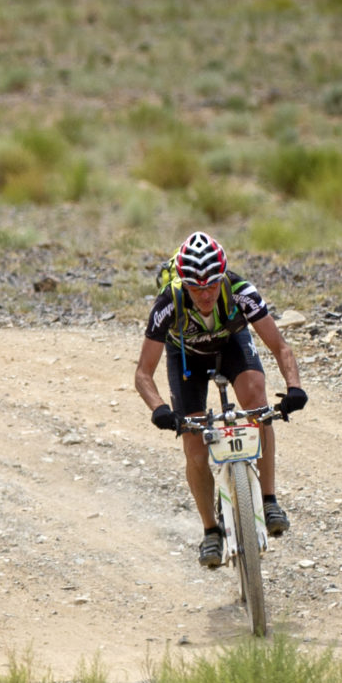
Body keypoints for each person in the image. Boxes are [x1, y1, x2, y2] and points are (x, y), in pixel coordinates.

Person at [133, 230, 307, 567]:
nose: (205, 293)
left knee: (258, 404)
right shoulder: (168, 303)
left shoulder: (241, 291)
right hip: (186, 357)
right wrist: (160, 410)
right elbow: (143, 373)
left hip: (231, 346)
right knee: (194, 445)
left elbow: (281, 347)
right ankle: (211, 532)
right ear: (183, 282)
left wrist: (294, 386)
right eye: (195, 287)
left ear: (223, 276)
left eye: (212, 284)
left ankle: (269, 499)